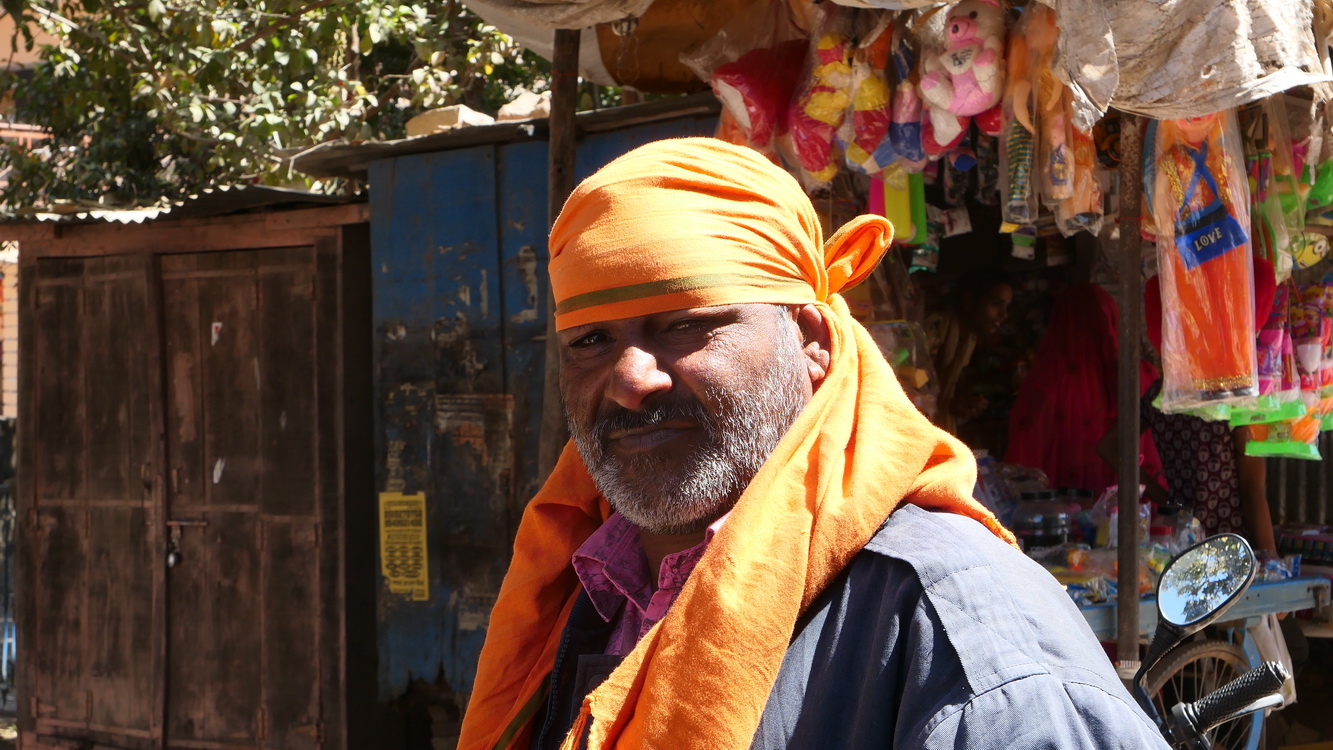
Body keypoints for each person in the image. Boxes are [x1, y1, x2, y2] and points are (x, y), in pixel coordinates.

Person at [457, 138, 1169, 750]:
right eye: (590, 340)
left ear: (812, 341)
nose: (630, 380)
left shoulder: (957, 631)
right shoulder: (580, 593)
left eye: (684, 325)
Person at [1099, 256, 1278, 557]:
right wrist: (1271, 559)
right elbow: (1251, 490)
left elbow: (1108, 447)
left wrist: (1167, 500)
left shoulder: (1163, 393)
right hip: (1231, 547)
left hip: (1183, 542)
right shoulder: (1234, 394)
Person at [1006, 283, 1163, 494]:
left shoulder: (1046, 380)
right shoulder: (1141, 376)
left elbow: (1023, 461)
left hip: (1060, 507)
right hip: (1131, 507)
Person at [925, 271, 1013, 434]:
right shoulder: (934, 326)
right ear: (968, 301)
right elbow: (907, 385)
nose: (1004, 314)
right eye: (996, 304)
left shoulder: (969, 339)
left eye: (1006, 307)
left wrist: (953, 405)